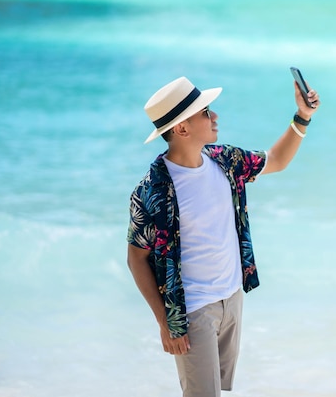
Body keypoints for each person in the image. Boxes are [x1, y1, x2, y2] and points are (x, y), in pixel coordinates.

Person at [126, 75, 320, 397]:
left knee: (218, 390)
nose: (214, 116)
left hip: (232, 298)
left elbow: (278, 160)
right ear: (181, 129)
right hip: (193, 310)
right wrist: (166, 322)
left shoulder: (224, 161)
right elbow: (137, 258)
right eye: (205, 112)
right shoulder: (151, 191)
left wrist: (303, 116)